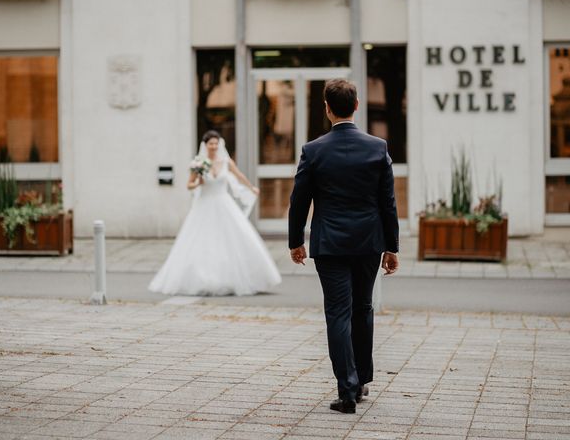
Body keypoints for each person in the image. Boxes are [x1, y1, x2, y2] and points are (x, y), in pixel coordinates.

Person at [288, 79, 399, 414]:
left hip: (330, 244)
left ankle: (347, 390)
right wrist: (391, 247)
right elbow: (388, 204)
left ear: (326, 107)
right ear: (357, 105)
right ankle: (362, 379)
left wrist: (296, 241)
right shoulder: (377, 148)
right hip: (368, 243)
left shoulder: (314, 150)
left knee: (338, 312)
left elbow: (298, 201)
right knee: (362, 309)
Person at [149, 130, 282, 296]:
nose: (213, 146)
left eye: (215, 143)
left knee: (234, 237)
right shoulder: (198, 163)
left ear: (219, 144)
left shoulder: (226, 161)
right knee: (202, 241)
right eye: (210, 143)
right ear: (205, 145)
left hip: (223, 203)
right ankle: (203, 279)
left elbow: (239, 175)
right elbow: (189, 185)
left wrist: (251, 187)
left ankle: (240, 278)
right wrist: (198, 181)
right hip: (204, 205)